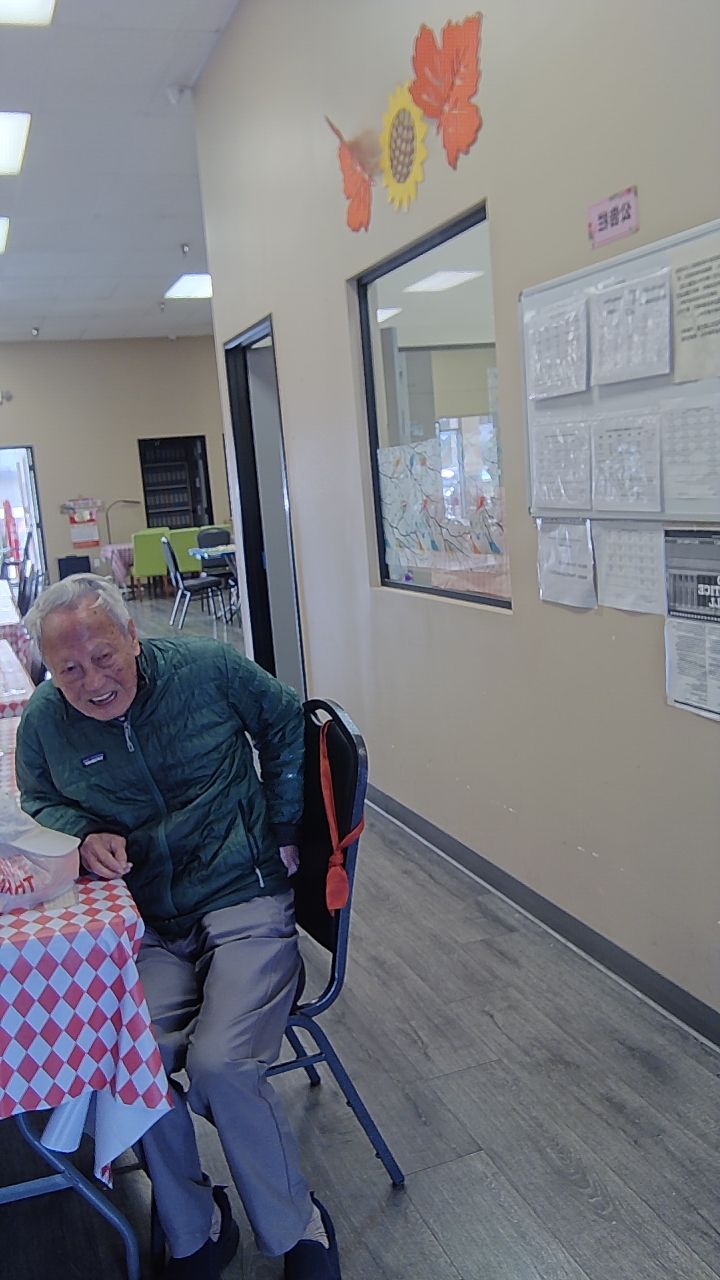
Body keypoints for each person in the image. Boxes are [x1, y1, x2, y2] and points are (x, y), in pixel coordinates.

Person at [16, 574, 342, 1280]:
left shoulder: (207, 669)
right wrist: (83, 835)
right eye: (69, 670)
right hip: (149, 922)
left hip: (242, 896)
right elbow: (38, 799)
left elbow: (285, 720)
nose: (93, 682)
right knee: (125, 1061)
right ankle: (196, 1227)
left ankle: (298, 1227)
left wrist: (285, 823)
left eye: (104, 656)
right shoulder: (44, 722)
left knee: (222, 1065)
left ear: (133, 636)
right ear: (48, 670)